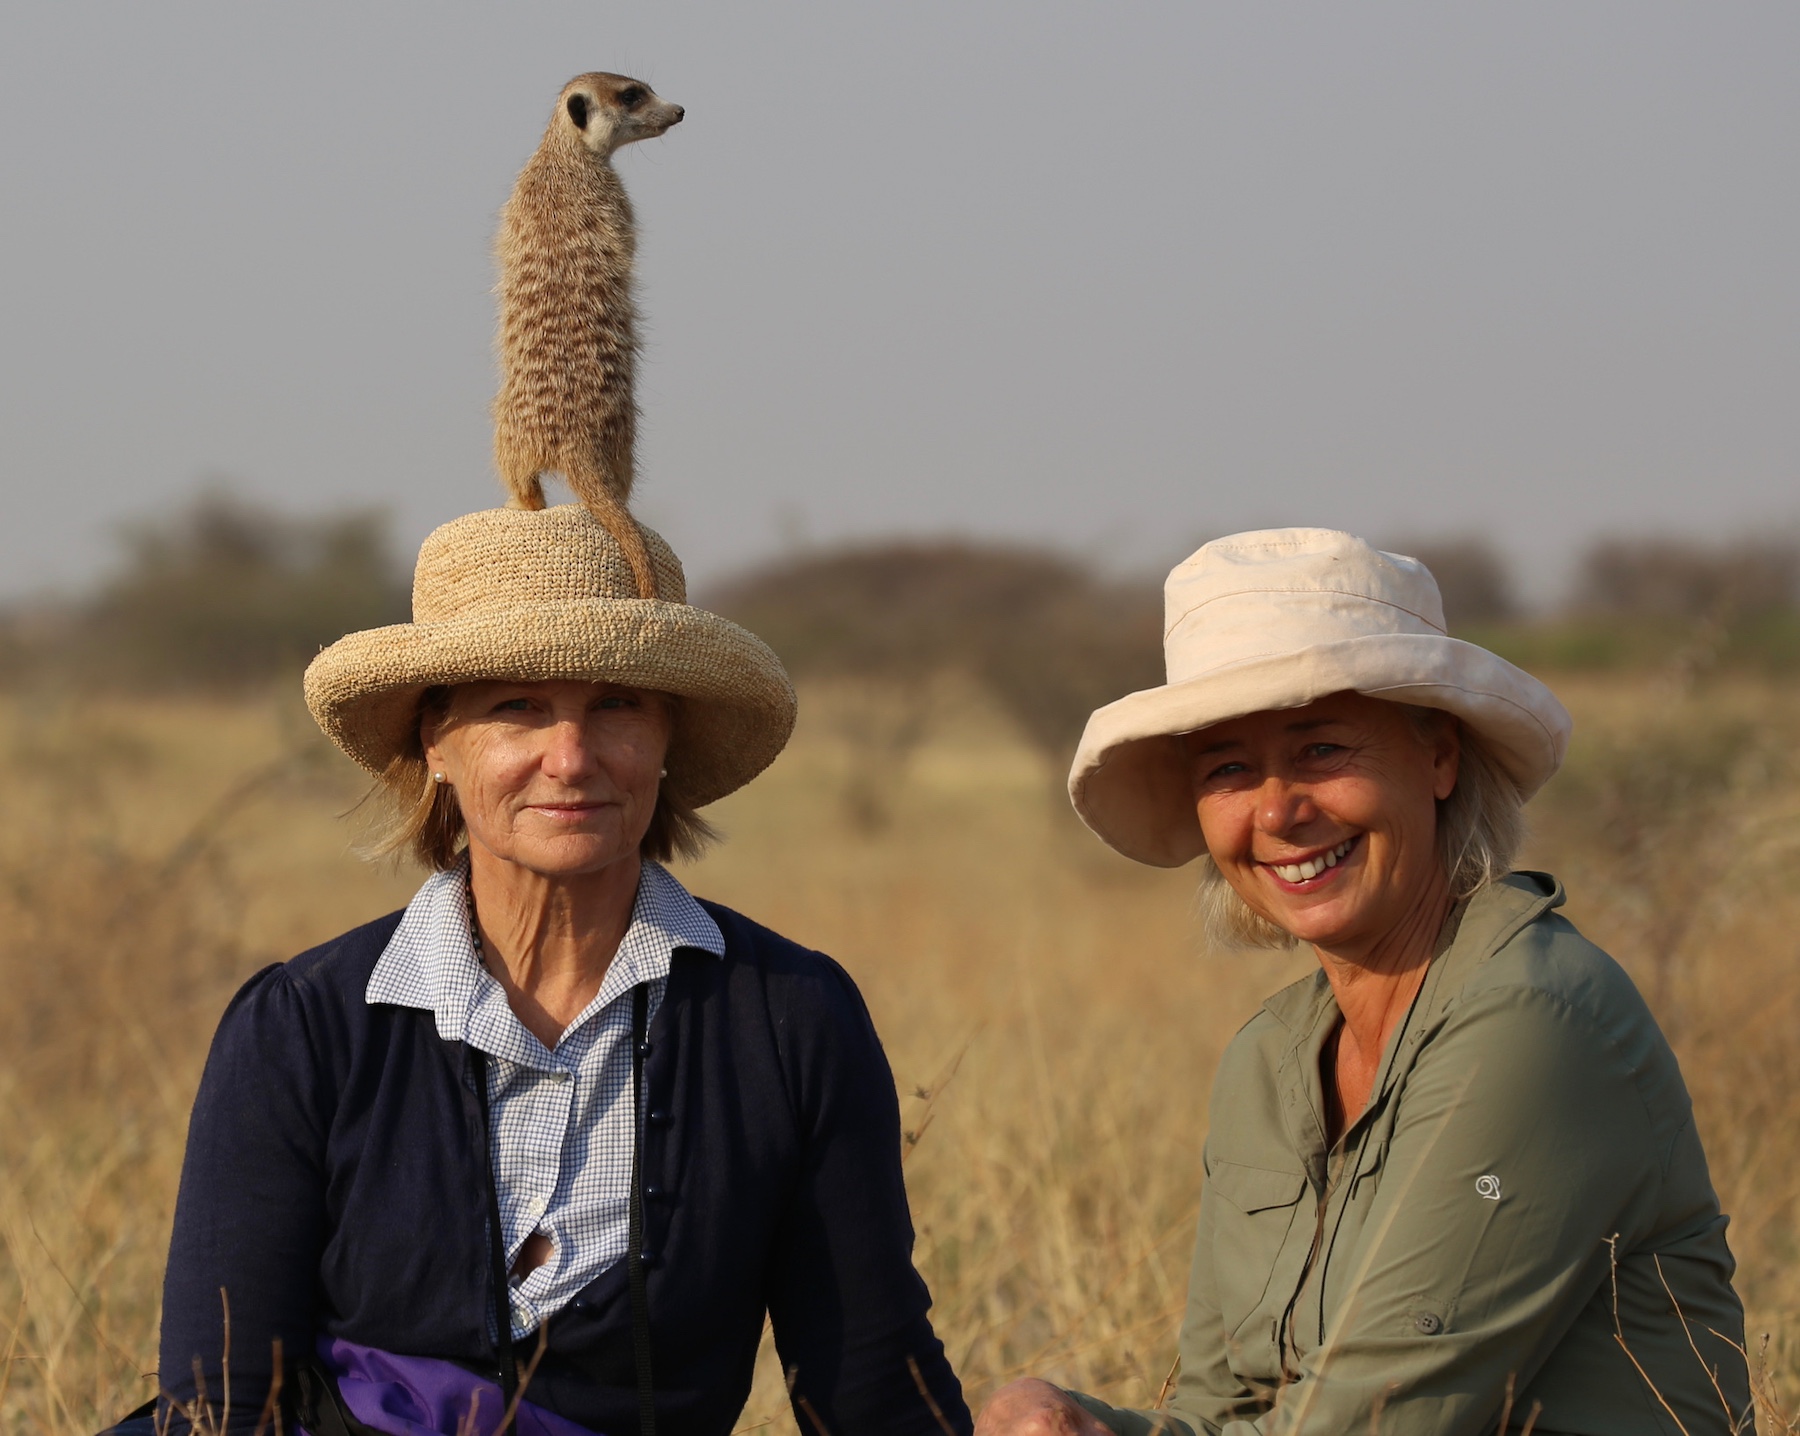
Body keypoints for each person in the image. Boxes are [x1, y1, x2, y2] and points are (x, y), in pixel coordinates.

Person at [124, 506, 971, 1436]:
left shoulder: (787, 1021)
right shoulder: (305, 1028)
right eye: (516, 707)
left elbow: (874, 1395)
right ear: (436, 747)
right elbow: (221, 1403)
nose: (570, 759)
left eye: (616, 705)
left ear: (666, 741)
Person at [976, 530, 1750, 1435]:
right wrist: (1077, 1422)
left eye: (1321, 750)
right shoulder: (1270, 1062)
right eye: (1228, 767)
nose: (1277, 811)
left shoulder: (1531, 1019)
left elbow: (1377, 1420)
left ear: (1439, 758)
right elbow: (1220, 1406)